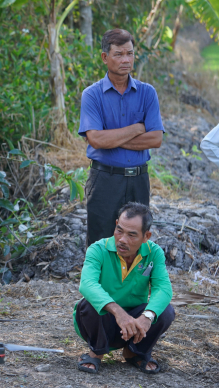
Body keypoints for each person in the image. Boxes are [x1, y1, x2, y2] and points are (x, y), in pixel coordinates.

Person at [79, 29, 165, 247]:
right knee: (101, 243)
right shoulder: (92, 95)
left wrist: (112, 139)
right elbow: (96, 140)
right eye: (119, 54)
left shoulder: (147, 93)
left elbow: (155, 139)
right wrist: (138, 128)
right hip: (104, 180)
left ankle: (132, 282)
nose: (126, 59)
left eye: (130, 53)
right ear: (105, 57)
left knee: (136, 243)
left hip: (139, 181)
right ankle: (99, 282)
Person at [74, 202, 174, 374]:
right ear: (115, 225)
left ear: (146, 236)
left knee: (165, 311)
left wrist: (147, 317)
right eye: (119, 230)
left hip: (136, 325)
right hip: (103, 321)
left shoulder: (154, 253)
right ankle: (96, 352)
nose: (122, 239)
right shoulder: (98, 249)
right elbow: (87, 284)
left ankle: (135, 352)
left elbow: (163, 289)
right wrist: (119, 313)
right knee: (89, 304)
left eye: (132, 235)